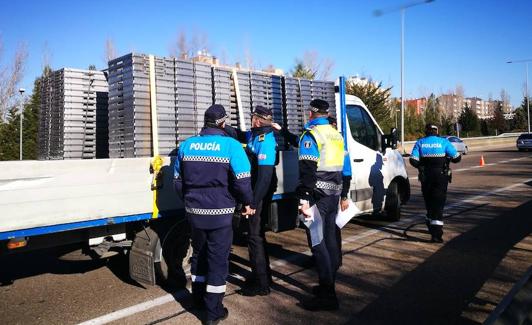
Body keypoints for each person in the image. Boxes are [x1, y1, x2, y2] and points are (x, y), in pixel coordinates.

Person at [174, 104, 255, 325]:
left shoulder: (187, 145)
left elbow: (177, 182)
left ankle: (198, 300)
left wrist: (190, 202)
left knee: (199, 255)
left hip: (194, 213)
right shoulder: (232, 146)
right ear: (223, 123)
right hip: (220, 214)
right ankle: (213, 311)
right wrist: (248, 202)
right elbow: (243, 180)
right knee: (218, 260)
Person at [297, 99, 352, 311]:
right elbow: (342, 167)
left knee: (317, 243)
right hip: (333, 195)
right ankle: (327, 284)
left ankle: (328, 295)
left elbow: (308, 171)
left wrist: (304, 200)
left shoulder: (311, 135)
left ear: (311, 113)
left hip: (317, 197)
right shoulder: (335, 134)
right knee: (330, 240)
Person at [238, 105, 278, 296]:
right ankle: (263, 276)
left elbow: (264, 178)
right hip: (256, 190)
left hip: (260, 192)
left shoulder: (266, 141)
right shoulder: (255, 134)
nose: (251, 119)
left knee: (254, 236)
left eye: (253, 117)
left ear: (258, 120)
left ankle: (261, 284)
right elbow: (241, 134)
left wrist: (253, 203)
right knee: (256, 234)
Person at [409, 123, 461, 243]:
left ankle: (429, 220)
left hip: (425, 177)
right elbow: (457, 158)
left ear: (426, 131)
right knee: (438, 203)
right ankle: (436, 234)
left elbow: (413, 160)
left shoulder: (420, 142)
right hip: (441, 177)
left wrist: (422, 165)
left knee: (429, 201)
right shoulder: (444, 142)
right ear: (437, 131)